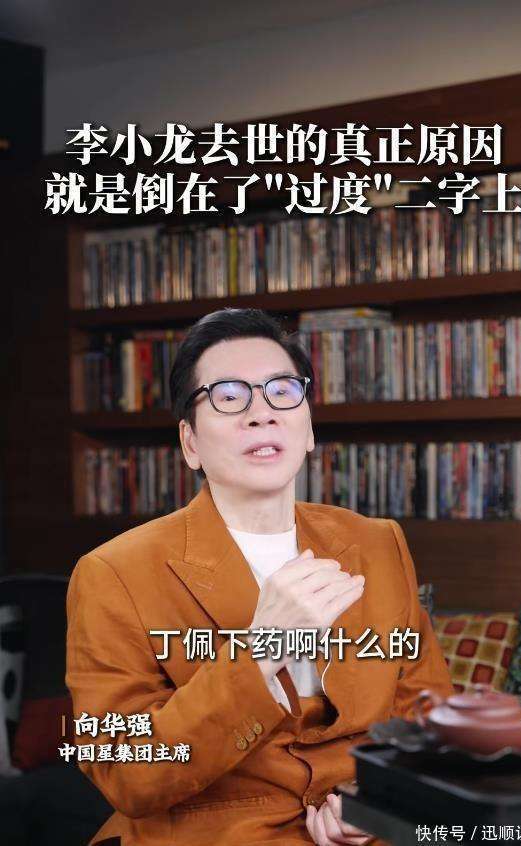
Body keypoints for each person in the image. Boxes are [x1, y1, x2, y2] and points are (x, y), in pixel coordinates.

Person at [66, 307, 454, 846]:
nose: (261, 413)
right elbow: (127, 772)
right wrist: (263, 647)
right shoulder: (112, 573)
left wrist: (380, 803)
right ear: (190, 442)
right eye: (228, 396)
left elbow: (428, 719)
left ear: (308, 427)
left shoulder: (377, 543)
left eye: (282, 391)